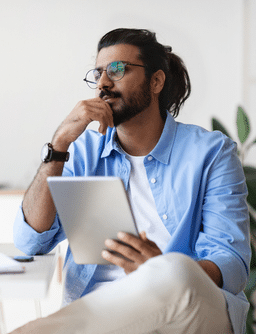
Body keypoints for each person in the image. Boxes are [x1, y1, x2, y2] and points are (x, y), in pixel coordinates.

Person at [11, 28, 250, 333]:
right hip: (103, 311)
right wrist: (58, 145)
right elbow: (31, 242)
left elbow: (231, 262)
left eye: (118, 70)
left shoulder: (211, 153)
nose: (104, 83)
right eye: (98, 73)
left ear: (156, 81)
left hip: (192, 311)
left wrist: (159, 272)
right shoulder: (82, 152)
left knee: (176, 270)